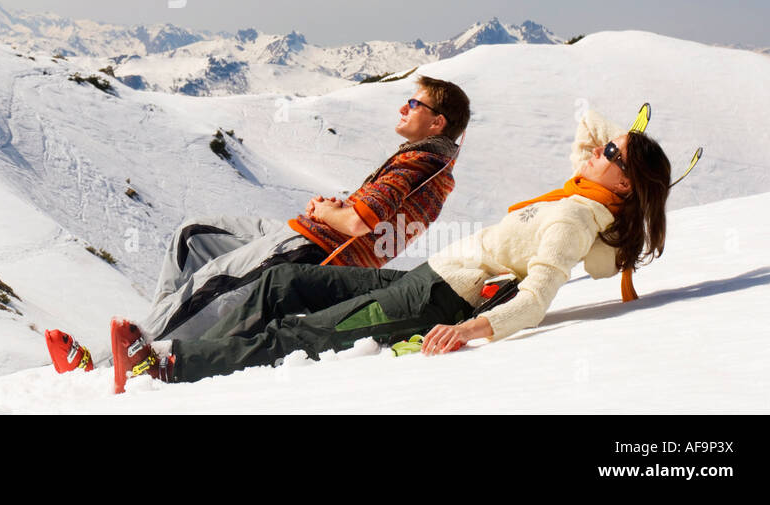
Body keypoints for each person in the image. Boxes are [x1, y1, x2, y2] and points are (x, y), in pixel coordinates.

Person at [109, 107, 671, 392]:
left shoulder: (572, 216)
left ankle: (168, 366)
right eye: (604, 147)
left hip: (434, 305)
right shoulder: (584, 189)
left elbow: (539, 297)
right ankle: (175, 341)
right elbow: (585, 138)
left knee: (300, 334)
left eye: (610, 154)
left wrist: (471, 330)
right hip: (420, 280)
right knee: (282, 284)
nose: (594, 151)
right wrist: (625, 140)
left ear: (622, 185)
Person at [45, 76, 472, 374]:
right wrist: (334, 208)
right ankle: (155, 331)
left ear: (437, 122)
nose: (403, 107)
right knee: (193, 237)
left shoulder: (422, 161)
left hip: (314, 246)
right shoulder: (430, 164)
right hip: (304, 234)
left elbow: (359, 222)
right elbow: (371, 216)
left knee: (212, 281)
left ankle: (106, 364)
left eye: (415, 103)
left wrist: (328, 212)